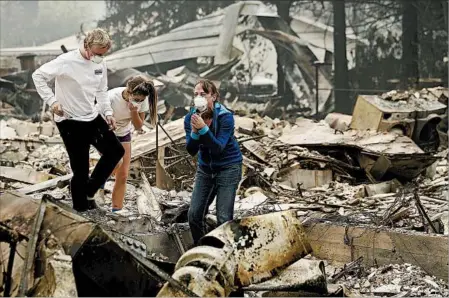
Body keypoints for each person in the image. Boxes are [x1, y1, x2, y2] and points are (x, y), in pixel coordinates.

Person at [32, 28, 125, 212]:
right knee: (81, 170)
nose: (100, 57)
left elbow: (101, 90)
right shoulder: (66, 62)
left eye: (103, 54)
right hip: (69, 120)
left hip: (91, 115)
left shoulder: (100, 63)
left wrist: (107, 112)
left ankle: (89, 191)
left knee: (115, 151)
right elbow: (38, 76)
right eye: (97, 53)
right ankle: (81, 209)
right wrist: (52, 101)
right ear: (87, 45)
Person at [184, 79, 243, 245]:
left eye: (203, 94)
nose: (198, 98)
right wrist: (195, 133)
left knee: (223, 218)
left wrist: (204, 129)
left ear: (214, 97)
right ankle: (202, 249)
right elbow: (191, 150)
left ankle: (225, 253)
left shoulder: (225, 117)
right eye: (195, 94)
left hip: (228, 167)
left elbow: (218, 148)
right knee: (194, 215)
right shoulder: (191, 117)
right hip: (205, 169)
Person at [97, 76, 158, 214]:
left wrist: (134, 110)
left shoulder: (141, 101)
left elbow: (138, 126)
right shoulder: (111, 97)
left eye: (141, 100)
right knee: (115, 163)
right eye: (136, 99)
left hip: (123, 133)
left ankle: (117, 209)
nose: (138, 102)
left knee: (123, 174)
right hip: (104, 132)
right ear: (128, 91)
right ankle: (95, 186)